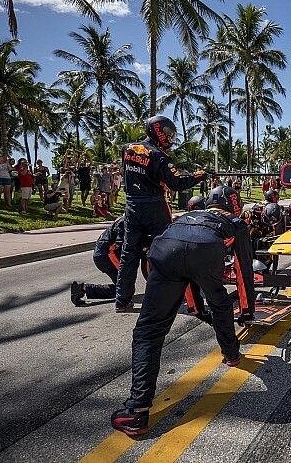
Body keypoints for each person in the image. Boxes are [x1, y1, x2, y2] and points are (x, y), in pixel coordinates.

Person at [110, 187, 255, 437]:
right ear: (234, 206)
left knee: (149, 331)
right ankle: (231, 354)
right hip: (207, 248)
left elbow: (185, 274)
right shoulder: (235, 221)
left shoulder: (186, 216)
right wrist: (246, 310)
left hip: (165, 247)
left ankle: (137, 412)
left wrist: (195, 308)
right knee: (220, 304)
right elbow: (243, 271)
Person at [114, 115, 206, 313]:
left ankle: (122, 300)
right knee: (164, 252)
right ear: (157, 130)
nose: (169, 138)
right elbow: (178, 183)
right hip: (154, 207)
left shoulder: (128, 149)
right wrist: (199, 175)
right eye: (167, 133)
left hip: (131, 207)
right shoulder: (159, 156)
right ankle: (167, 295)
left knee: (129, 253)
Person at [71, 217, 126, 306]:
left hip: (103, 253)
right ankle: (82, 288)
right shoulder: (125, 221)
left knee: (125, 287)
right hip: (106, 256)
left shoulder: (125, 218)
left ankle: (83, 288)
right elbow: (119, 246)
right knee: (124, 289)